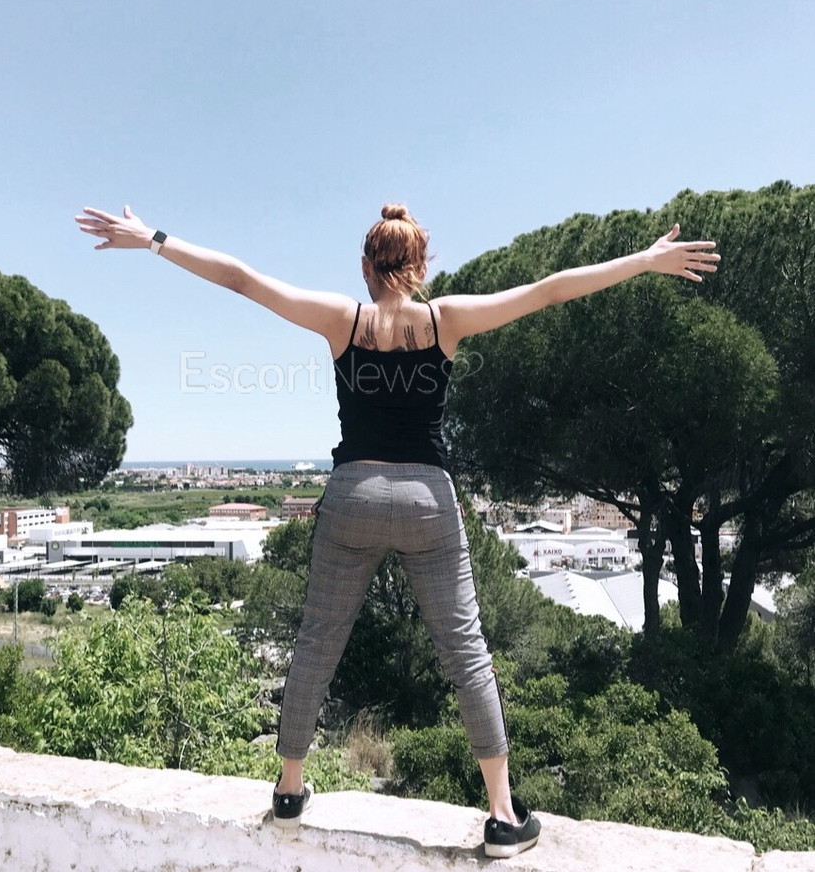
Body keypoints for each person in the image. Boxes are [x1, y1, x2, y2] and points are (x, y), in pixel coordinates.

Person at [76, 203, 720, 859]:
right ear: (420, 266)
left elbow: (241, 278)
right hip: (427, 501)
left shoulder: (342, 319)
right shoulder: (447, 318)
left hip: (352, 495)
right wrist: (644, 260)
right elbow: (550, 289)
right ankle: (502, 815)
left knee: (317, 642)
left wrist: (153, 239)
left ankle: (290, 789)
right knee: (465, 653)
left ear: (365, 266)